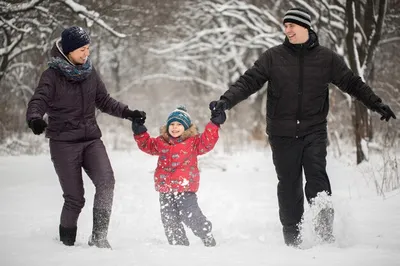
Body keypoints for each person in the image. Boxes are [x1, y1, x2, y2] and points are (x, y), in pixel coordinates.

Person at [210, 8, 396, 247]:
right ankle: (292, 238)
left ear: (306, 27)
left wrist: (376, 104)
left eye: (292, 25)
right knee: (288, 185)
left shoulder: (326, 58)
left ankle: (325, 235)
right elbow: (249, 81)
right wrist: (226, 101)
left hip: (314, 130)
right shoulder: (273, 57)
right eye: (285, 26)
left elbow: (352, 82)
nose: (287, 30)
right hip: (281, 132)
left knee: (317, 179)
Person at [26, 26, 146, 249]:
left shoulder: (90, 72)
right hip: (63, 143)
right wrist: (34, 118)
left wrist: (128, 113)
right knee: (75, 199)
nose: (86, 53)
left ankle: (99, 237)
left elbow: (105, 101)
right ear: (69, 51)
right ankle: (65, 245)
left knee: (106, 182)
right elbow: (38, 100)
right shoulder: (51, 76)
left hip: (91, 139)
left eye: (88, 48)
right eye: (82, 49)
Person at [131, 105, 226, 247]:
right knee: (169, 220)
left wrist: (214, 123)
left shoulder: (193, 142)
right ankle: (178, 246)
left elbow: (208, 141)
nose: (175, 128)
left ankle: (205, 234)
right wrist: (139, 131)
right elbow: (147, 145)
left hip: (185, 187)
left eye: (179, 124)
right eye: (172, 124)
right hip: (165, 189)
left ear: (186, 127)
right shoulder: (161, 142)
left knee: (191, 215)